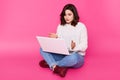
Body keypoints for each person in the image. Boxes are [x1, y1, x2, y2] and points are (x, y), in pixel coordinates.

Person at [39, 4, 88, 77]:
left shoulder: (81, 26)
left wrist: (74, 47)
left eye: (69, 14)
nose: (67, 17)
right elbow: (60, 44)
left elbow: (84, 45)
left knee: (73, 57)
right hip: (63, 55)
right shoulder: (60, 26)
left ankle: (51, 64)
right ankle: (58, 67)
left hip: (77, 56)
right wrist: (56, 38)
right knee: (42, 48)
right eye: (65, 15)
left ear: (74, 14)